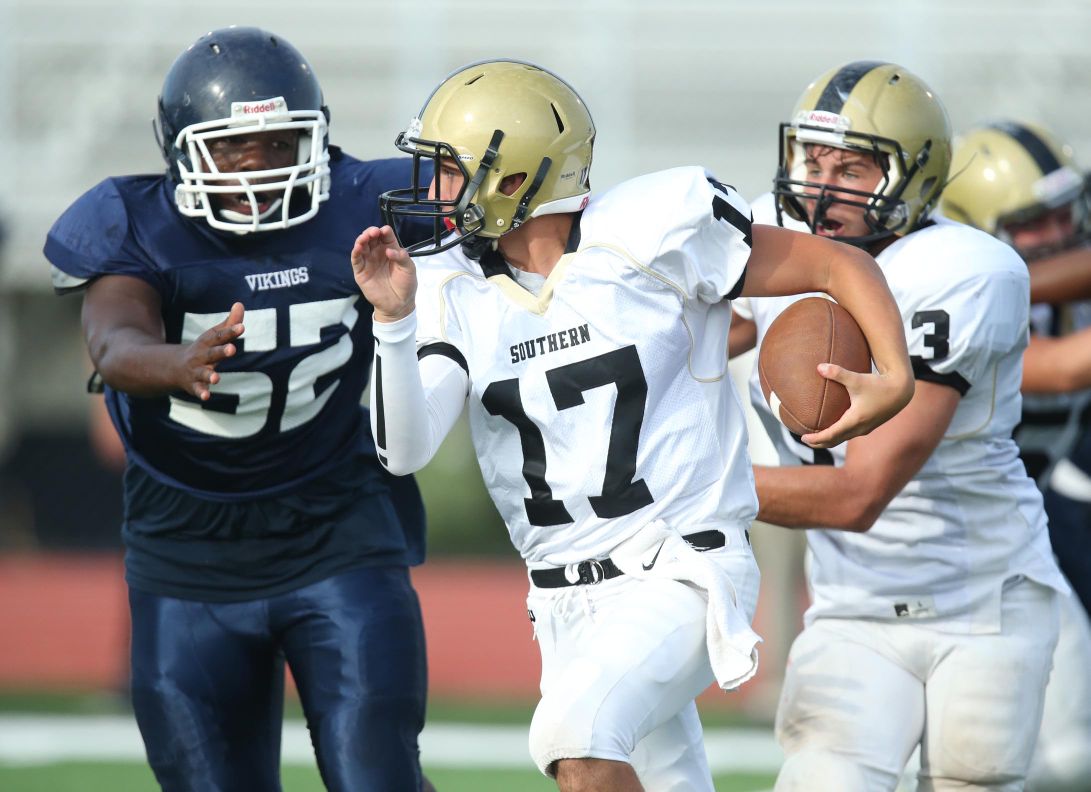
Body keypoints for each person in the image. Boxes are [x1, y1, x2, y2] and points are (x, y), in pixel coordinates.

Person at [350, 59, 914, 792]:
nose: (433, 191)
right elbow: (404, 451)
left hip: (678, 565)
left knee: (573, 740)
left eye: (451, 171)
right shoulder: (449, 283)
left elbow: (837, 267)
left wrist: (895, 375)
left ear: (514, 178)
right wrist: (392, 324)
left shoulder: (651, 229)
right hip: (558, 599)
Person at [43, 26, 433, 792]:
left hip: (336, 528)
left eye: (280, 142)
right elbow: (113, 341)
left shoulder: (364, 199)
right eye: (232, 149)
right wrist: (172, 362)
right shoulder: (135, 222)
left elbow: (507, 203)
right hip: (186, 550)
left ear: (317, 139)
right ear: (182, 151)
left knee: (377, 778)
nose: (257, 167)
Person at [730, 61, 1069, 791]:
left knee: (973, 778)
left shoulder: (962, 269)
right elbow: (681, 336)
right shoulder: (773, 233)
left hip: (981, 602)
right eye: (812, 161)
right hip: (851, 605)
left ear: (913, 177)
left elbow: (859, 493)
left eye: (852, 168)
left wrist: (678, 485)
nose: (822, 185)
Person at [941, 121, 1091, 792]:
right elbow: (1056, 369)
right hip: (957, 549)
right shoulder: (958, 299)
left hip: (1038, 523)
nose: (1061, 229)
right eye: (1036, 221)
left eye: (1067, 210)